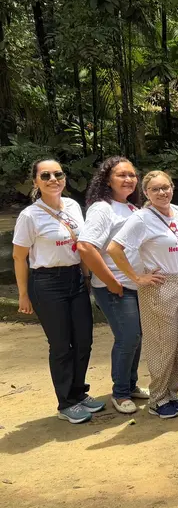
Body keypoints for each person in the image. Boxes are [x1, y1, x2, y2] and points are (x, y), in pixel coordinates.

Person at [108, 170, 178, 419]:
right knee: (162, 343)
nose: (162, 193)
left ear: (172, 188)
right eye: (156, 189)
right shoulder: (141, 218)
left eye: (166, 187)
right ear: (146, 193)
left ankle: (172, 392)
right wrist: (137, 277)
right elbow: (114, 248)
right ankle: (158, 397)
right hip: (158, 285)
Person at [13, 159, 99, 423]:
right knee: (61, 345)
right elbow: (19, 257)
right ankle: (66, 402)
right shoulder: (29, 216)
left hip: (75, 278)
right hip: (47, 283)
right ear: (36, 182)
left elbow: (82, 245)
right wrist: (24, 294)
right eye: (46, 175)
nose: (53, 179)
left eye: (58, 174)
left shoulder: (73, 206)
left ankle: (78, 392)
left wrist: (86, 277)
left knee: (84, 339)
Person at [78, 156, 148, 414]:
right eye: (122, 175)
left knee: (137, 338)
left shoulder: (132, 209)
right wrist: (112, 282)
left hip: (135, 286)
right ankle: (119, 393)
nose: (129, 179)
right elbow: (85, 247)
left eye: (132, 175)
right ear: (107, 179)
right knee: (128, 337)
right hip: (115, 287)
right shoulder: (102, 208)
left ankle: (130, 385)